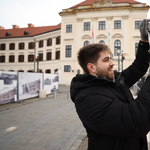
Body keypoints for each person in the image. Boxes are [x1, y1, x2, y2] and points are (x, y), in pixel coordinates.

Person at [70, 19, 150, 150]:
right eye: (106, 59)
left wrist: (144, 42)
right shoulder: (87, 98)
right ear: (92, 67)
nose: (112, 63)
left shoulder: (116, 79)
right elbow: (136, 121)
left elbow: (138, 67)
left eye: (111, 58)